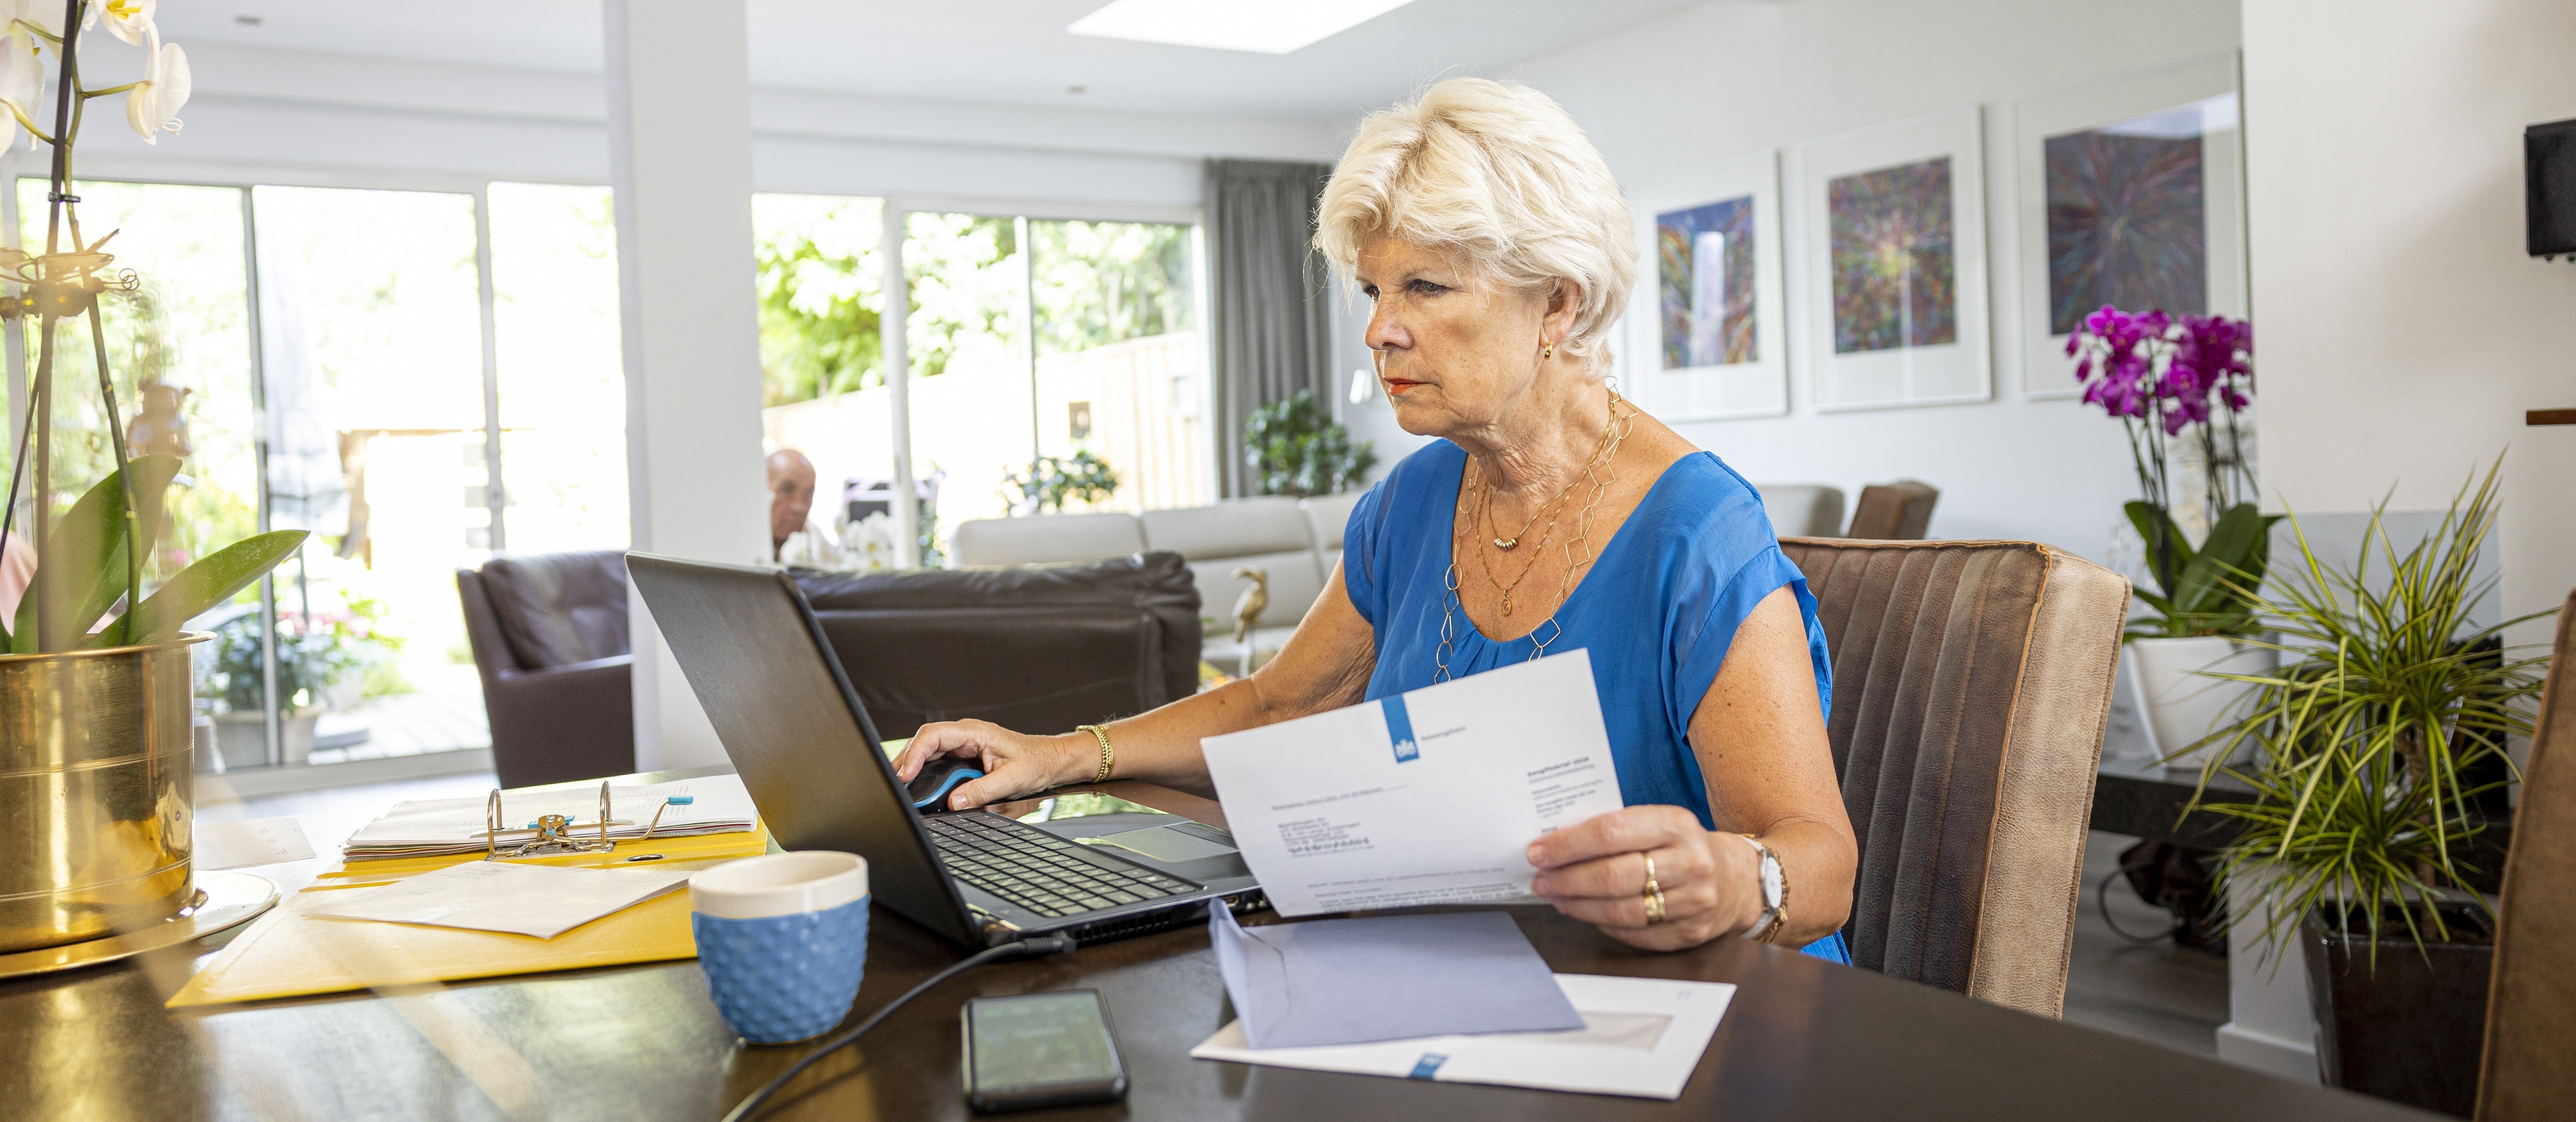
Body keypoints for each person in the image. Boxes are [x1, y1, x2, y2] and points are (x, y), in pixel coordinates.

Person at [895, 77, 1856, 960]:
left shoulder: (1699, 529)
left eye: (1425, 287)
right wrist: (1059, 755)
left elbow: (1822, 867)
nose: (1378, 328)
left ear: (1558, 303)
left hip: (1702, 1003)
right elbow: (1280, 703)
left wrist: (1741, 878)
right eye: (1374, 288)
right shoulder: (1412, 499)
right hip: (1477, 969)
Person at [767, 448, 844, 568]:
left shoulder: (820, 547)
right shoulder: (739, 549)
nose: (799, 507)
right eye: (787, 490)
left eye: (808, 494)